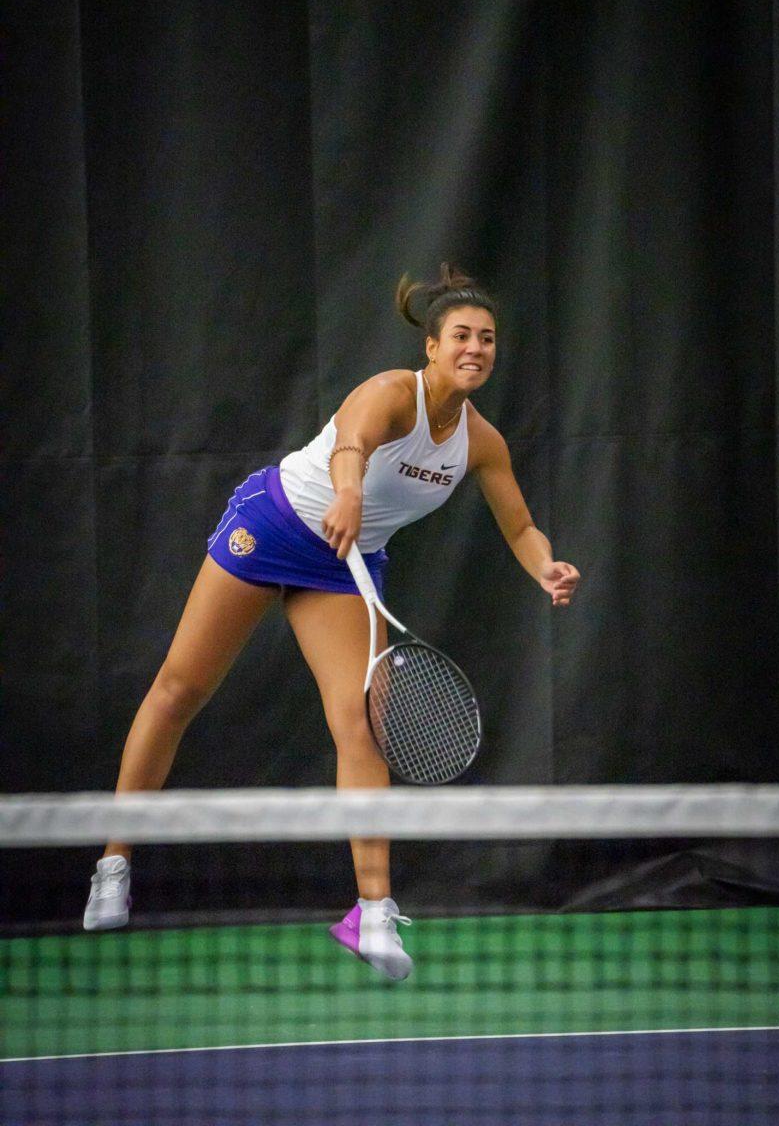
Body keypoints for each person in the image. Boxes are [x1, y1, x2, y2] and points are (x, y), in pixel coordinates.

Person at [83, 264, 581, 980]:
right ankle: (114, 862)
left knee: (360, 722)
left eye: (488, 339)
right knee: (179, 689)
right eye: (463, 336)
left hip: (344, 568)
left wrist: (546, 567)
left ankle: (371, 913)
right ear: (433, 348)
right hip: (280, 524)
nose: (477, 348)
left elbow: (522, 525)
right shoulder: (388, 393)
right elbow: (351, 442)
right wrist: (347, 493)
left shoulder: (481, 442)